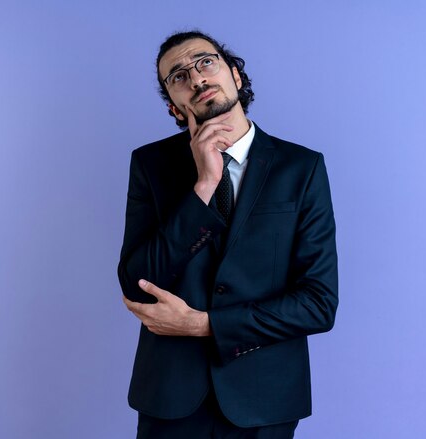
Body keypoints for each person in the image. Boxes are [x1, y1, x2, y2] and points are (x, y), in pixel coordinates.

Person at [119, 30, 338, 438]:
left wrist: (205, 325)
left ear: (235, 75)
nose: (197, 78)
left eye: (206, 62)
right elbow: (136, 283)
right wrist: (203, 187)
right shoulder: (151, 165)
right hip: (170, 397)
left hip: (264, 397)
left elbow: (318, 303)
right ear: (175, 108)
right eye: (178, 76)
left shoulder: (302, 168)